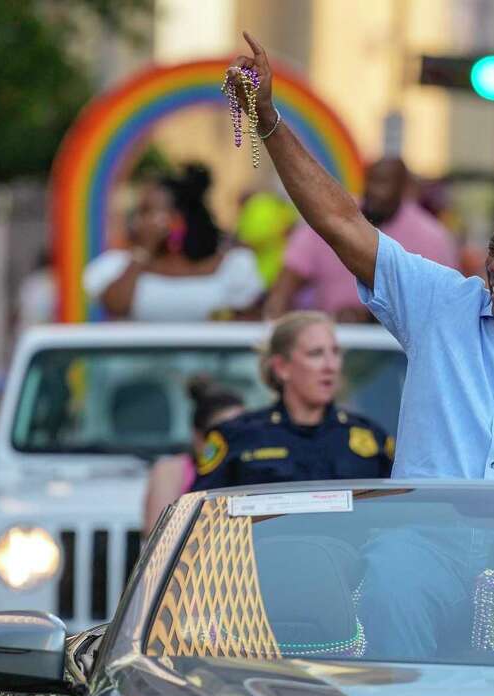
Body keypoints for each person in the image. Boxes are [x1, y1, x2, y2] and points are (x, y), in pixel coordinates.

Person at [224, 35, 494, 658]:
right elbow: (341, 222)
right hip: (423, 544)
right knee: (391, 588)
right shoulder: (443, 303)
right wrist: (270, 122)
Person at [192, 311, 393, 489]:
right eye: (316, 354)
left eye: (335, 352)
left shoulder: (372, 437)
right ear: (282, 367)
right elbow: (204, 518)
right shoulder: (236, 437)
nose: (330, 365)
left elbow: (397, 512)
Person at [263, 157, 458, 322]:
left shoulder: (432, 237)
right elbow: (285, 286)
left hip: (397, 355)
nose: (375, 191)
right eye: (371, 181)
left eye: (384, 183)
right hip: (329, 341)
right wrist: (276, 328)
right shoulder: (333, 217)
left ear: (404, 189)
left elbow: (440, 305)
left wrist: (369, 317)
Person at [84, 164, 264, 321]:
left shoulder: (233, 265)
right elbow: (116, 306)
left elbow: (247, 319)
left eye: (147, 211)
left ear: (180, 217)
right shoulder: (117, 264)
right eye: (139, 212)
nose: (138, 220)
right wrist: (144, 251)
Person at [143, 378, 245, 533]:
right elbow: (158, 536)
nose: (234, 443)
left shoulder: (251, 466)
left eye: (243, 433)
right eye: (222, 436)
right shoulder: (171, 471)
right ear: (198, 437)